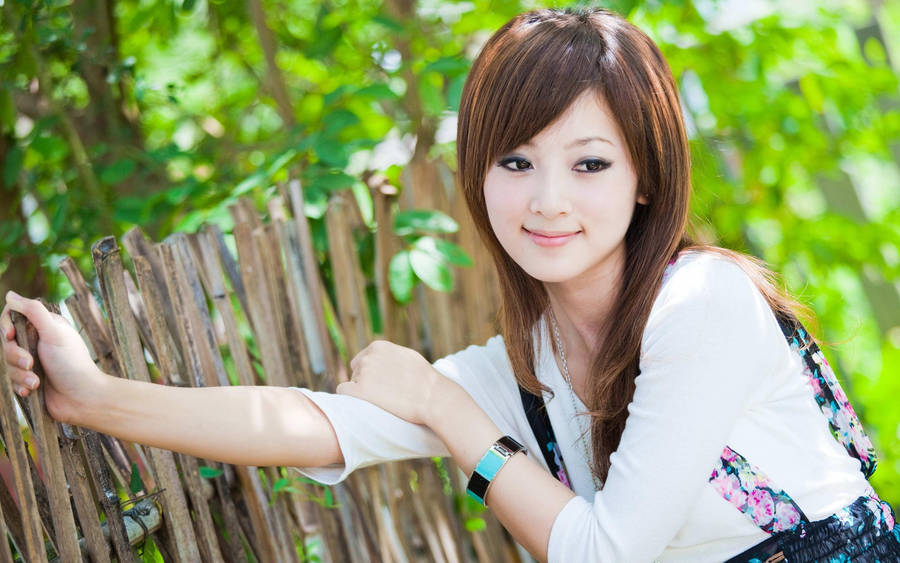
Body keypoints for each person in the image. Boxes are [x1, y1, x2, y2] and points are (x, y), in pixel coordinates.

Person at [2, 7, 899, 562]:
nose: (547, 201)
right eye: (516, 160)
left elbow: (603, 553)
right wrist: (94, 396)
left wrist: (440, 402)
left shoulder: (702, 304)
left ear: (647, 179)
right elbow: (311, 424)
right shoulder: (526, 371)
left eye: (589, 163)